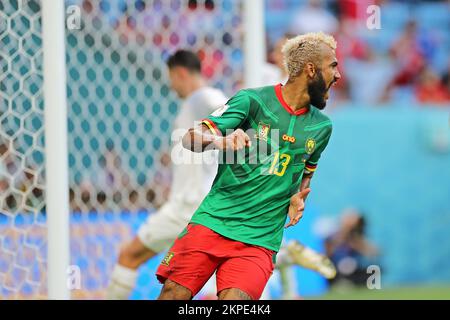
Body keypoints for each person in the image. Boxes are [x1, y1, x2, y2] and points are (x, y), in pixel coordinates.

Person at [156, 31, 341, 300]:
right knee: (172, 295)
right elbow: (189, 138)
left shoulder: (322, 127)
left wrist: (297, 197)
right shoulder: (252, 101)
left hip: (259, 240)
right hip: (213, 222)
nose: (338, 75)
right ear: (311, 69)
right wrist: (220, 141)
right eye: (332, 66)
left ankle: (286, 260)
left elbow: (306, 173)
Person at [106, 50, 227, 299]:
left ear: (180, 73)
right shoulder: (194, 107)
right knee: (208, 281)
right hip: (205, 206)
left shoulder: (201, 97)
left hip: (187, 206)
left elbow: (221, 105)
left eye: (171, 78)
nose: (171, 85)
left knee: (129, 255)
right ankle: (285, 257)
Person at [325, 209, 379, 288]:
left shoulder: (356, 237)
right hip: (336, 269)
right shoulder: (334, 235)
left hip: (353, 269)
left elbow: (373, 251)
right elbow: (328, 252)